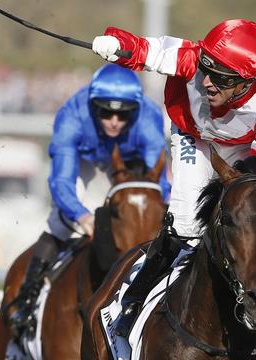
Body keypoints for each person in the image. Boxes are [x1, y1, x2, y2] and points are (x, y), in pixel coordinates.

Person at [91, 19, 256, 336]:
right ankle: (131, 302)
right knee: (185, 225)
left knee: (255, 223)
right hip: (192, 137)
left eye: (222, 79)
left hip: (239, 148)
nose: (208, 82)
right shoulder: (194, 57)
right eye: (207, 70)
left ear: (246, 82)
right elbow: (149, 50)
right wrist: (116, 45)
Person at [9, 64, 170, 336]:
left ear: (136, 109)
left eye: (124, 113)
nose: (115, 121)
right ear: (93, 105)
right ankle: (28, 297)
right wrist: (82, 216)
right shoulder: (71, 117)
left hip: (127, 162)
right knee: (62, 223)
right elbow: (61, 182)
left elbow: (160, 182)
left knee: (148, 218)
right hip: (84, 157)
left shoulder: (148, 117)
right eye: (106, 111)